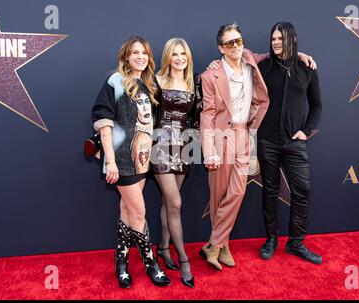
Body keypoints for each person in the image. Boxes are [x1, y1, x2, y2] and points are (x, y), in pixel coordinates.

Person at [91, 36, 171, 288]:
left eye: (144, 53)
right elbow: (103, 121)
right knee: (139, 212)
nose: (140, 57)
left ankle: (121, 261)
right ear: (126, 57)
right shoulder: (115, 81)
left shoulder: (149, 83)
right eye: (135, 53)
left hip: (141, 159)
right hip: (120, 159)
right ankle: (151, 263)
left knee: (127, 211)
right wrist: (110, 162)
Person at [198, 23, 270, 270]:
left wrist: (300, 55)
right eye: (230, 43)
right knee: (218, 196)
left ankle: (213, 245)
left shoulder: (249, 58)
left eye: (239, 40)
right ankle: (223, 245)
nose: (237, 46)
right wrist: (209, 150)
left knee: (237, 191)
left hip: (244, 135)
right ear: (221, 48)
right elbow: (206, 114)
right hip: (220, 137)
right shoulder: (210, 75)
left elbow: (272, 55)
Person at [257, 22, 323, 264]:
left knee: (302, 190)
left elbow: (316, 105)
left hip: (295, 144)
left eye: (281, 38)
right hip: (267, 141)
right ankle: (271, 240)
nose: (276, 42)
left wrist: (306, 131)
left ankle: (296, 243)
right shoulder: (263, 67)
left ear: (292, 40)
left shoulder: (307, 68)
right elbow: (240, 56)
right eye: (273, 38)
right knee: (270, 192)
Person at [151, 38, 202, 288]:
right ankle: (183, 260)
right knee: (175, 203)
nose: (180, 58)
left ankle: (162, 247)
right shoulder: (156, 80)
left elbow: (200, 116)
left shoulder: (194, 82)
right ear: (168, 57)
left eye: (183, 53)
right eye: (175, 54)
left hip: (184, 145)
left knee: (169, 203)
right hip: (159, 143)